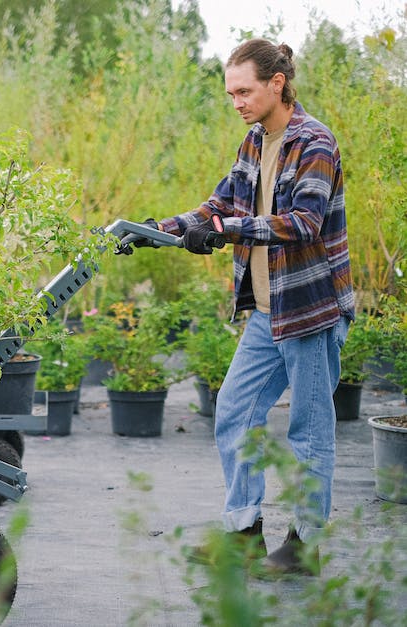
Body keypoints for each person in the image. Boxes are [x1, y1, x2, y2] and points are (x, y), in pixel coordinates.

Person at [132, 39, 354, 576]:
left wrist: (225, 232)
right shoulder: (254, 143)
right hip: (266, 311)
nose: (238, 102)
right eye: (231, 93)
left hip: (310, 308)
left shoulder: (313, 143)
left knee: (309, 428)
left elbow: (304, 223)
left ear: (276, 83)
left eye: (245, 91)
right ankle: (245, 535)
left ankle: (304, 547)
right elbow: (219, 205)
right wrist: (151, 231)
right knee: (234, 410)